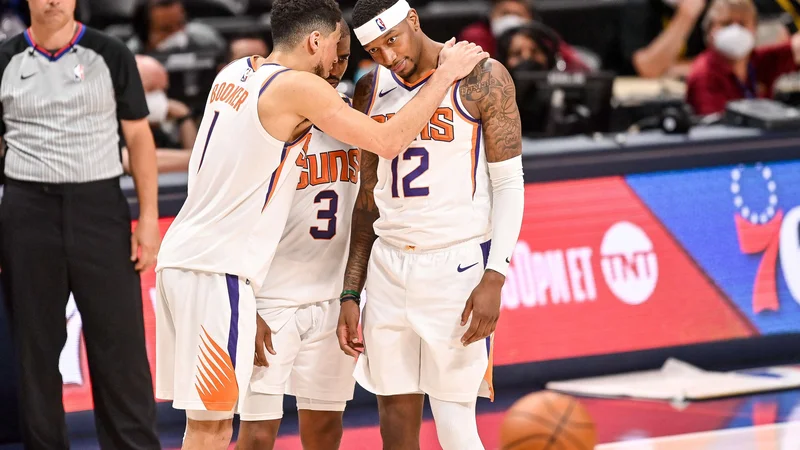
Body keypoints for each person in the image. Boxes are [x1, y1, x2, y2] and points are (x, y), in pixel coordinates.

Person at [153, 0, 488, 448]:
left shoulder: (233, 73)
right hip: (220, 271)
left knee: (205, 424)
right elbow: (388, 140)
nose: (339, 64)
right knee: (214, 428)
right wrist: (446, 72)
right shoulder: (299, 89)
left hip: (181, 257)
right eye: (338, 48)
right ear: (316, 40)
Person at [338, 1, 525, 449]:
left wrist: (495, 275)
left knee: (456, 427)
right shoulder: (369, 88)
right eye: (374, 49)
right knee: (395, 428)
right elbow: (367, 201)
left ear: (414, 21)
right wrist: (350, 289)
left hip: (455, 265)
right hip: (388, 266)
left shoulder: (483, 76)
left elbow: (510, 186)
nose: (387, 55)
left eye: (392, 40)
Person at [0, 0, 161, 448]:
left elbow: (138, 138)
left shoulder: (110, 53)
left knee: (122, 351)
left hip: (99, 207)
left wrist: (148, 219)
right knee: (35, 355)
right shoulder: (6, 59)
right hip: (27, 212)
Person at [235, 20, 357, 450]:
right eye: (331, 57)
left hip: (330, 298)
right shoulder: (266, 114)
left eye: (345, 59)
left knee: (326, 429)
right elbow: (233, 216)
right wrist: (245, 305)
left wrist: (351, 296)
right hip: (271, 298)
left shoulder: (350, 118)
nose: (336, 68)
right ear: (312, 47)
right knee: (257, 433)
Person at [687, 0, 800, 115]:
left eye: (742, 24)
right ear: (709, 29)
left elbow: (796, 48)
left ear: (754, 29)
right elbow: (716, 127)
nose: (735, 30)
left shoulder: (757, 61)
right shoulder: (705, 73)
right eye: (726, 24)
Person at [619, 0, 708, 78]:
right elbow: (648, 69)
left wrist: (669, 69)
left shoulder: (711, 7)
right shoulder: (641, 7)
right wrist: (686, 16)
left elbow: (716, 65)